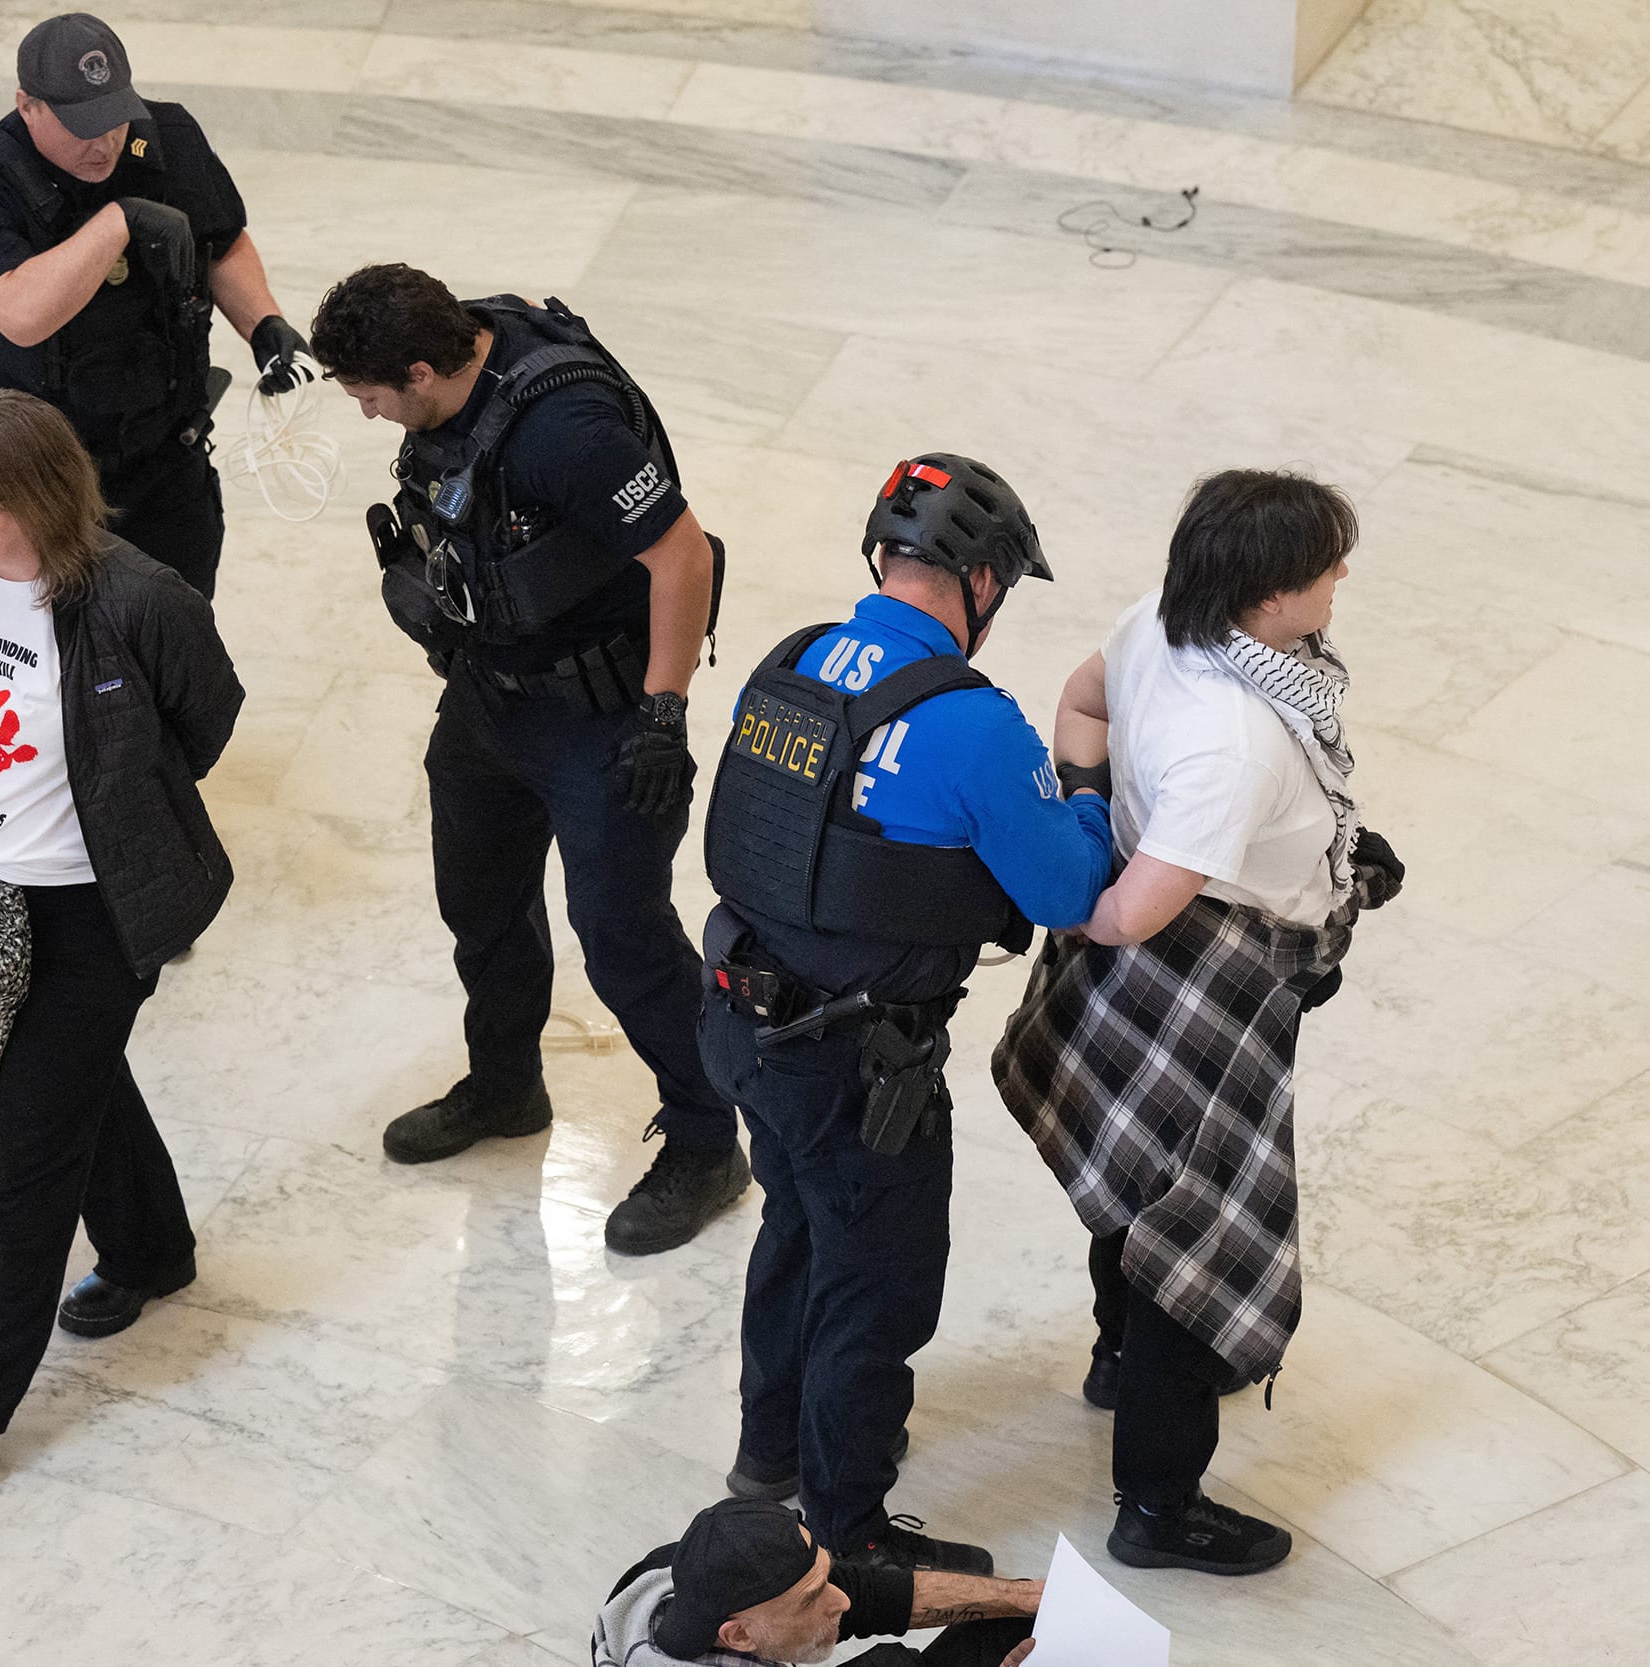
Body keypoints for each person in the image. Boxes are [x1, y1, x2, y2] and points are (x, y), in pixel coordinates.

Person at [695, 456, 1116, 1575]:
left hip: (741, 1019)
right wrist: (1082, 792)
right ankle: (847, 1529)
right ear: (981, 580)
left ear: (883, 555)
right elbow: (1068, 891)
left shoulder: (788, 665)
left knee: (794, 1223)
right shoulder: (972, 724)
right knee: (875, 1281)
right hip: (853, 1060)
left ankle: (766, 1449)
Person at [994, 469, 1405, 1577]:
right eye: (1326, 567)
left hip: (1153, 958)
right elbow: (1125, 912)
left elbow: (1081, 704)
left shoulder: (1163, 620)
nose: (1341, 578)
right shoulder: (1234, 741)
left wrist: (1098, 815)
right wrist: (1103, 873)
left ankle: (1114, 1352)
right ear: (1268, 594)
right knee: (1194, 1232)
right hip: (1196, 974)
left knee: (1136, 1178)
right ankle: (1157, 1507)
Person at [308, 263, 747, 1257]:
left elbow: (684, 556)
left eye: (370, 393)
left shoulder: (567, 431)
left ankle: (708, 1140)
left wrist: (663, 714)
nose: (369, 413)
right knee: (480, 898)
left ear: (420, 370)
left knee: (624, 939)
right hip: (491, 695)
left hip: (603, 719)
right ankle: (505, 1084)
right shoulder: (465, 362)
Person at [0, 389, 242, 1471]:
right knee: (75, 1084)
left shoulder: (140, 598)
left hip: (92, 909)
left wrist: (114, 813)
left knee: (31, 1149)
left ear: (36, 500)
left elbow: (204, 718)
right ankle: (150, 1247)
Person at [0, 11, 312, 599]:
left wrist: (264, 323)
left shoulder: (168, 138)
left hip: (163, 459)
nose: (103, 140)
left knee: (177, 655)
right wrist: (117, 222)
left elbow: (224, 244)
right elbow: (20, 314)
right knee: (53, 668)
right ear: (28, 105)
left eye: (113, 117)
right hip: (32, 487)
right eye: (81, 124)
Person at [595, 1497, 1040, 1667]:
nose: (842, 1600)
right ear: (739, 1635)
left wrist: (1024, 1598)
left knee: (1018, 1618)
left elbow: (868, 1593)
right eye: (812, 1600)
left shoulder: (673, 1575)